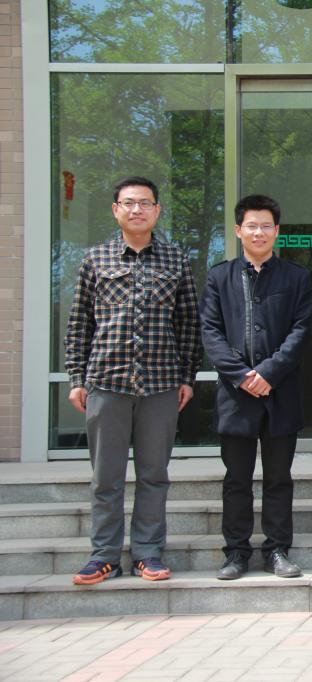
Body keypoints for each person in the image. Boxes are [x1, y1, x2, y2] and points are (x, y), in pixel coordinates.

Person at [64, 176, 202, 585]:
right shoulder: (96, 259)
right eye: (129, 203)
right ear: (116, 210)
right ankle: (104, 556)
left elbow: (188, 324)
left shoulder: (176, 260)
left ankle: (147, 553)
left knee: (153, 474)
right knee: (106, 477)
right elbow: (79, 323)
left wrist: (188, 377)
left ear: (157, 210)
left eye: (145, 203)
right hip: (106, 383)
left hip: (161, 384)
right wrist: (77, 377)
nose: (137, 209)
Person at [200, 194, 312, 580]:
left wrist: (268, 373)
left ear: (276, 231)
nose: (259, 232)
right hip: (236, 396)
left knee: (279, 478)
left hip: (280, 393)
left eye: (266, 226)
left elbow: (301, 331)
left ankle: (277, 549)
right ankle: (236, 552)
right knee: (237, 479)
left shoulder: (295, 277)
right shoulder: (219, 277)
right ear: (238, 230)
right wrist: (241, 375)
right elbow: (211, 332)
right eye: (252, 225)